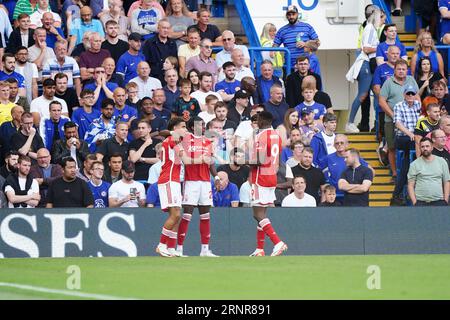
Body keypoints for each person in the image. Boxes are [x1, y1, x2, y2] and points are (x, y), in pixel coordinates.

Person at [244, 111, 287, 257]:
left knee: (257, 214)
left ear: (262, 121)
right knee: (262, 212)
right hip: (272, 177)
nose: (257, 122)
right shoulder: (276, 136)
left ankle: (278, 242)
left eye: (258, 120)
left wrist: (241, 161)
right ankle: (259, 249)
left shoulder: (261, 136)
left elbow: (259, 160)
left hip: (260, 177)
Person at [176, 117, 218, 257]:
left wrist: (216, 177)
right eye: (201, 125)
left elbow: (210, 162)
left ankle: (205, 250)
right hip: (191, 181)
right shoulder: (186, 140)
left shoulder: (208, 142)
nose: (204, 127)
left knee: (205, 215)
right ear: (193, 127)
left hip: (205, 182)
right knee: (187, 214)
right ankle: (179, 248)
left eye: (205, 125)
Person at [379, 59, 419, 182]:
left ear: (406, 70)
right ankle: (395, 173)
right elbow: (382, 101)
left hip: (410, 119)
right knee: (392, 147)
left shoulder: (411, 80)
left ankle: (413, 173)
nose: (401, 71)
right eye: (399, 69)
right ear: (394, 70)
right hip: (391, 120)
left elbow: (417, 96)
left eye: (403, 69)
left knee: (413, 145)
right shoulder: (388, 82)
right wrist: (394, 115)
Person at [345, 6, 381, 133]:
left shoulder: (371, 28)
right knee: (362, 95)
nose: (381, 19)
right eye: (379, 16)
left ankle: (378, 123)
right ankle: (350, 122)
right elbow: (366, 48)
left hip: (369, 64)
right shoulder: (370, 28)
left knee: (377, 93)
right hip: (366, 64)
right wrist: (381, 48)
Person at [155, 117, 187, 257]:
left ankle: (171, 248)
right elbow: (185, 158)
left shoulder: (173, 140)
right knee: (176, 214)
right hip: (168, 179)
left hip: (173, 180)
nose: (186, 129)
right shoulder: (173, 139)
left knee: (176, 216)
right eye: (183, 126)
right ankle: (161, 245)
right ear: (175, 129)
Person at [390, 85, 422, 206]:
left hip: (416, 138)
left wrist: (416, 136)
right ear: (404, 94)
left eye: (412, 94)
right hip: (403, 137)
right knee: (412, 145)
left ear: (415, 95)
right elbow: (398, 124)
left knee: (407, 163)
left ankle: (396, 194)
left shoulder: (418, 104)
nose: (410, 96)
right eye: (408, 94)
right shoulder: (399, 105)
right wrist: (411, 134)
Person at [273, 4, 320, 69]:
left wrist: (305, 44)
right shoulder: (282, 30)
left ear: (297, 14)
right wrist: (272, 51)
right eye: (289, 14)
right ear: (286, 16)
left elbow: (317, 42)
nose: (291, 16)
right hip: (289, 67)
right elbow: (275, 46)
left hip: (305, 67)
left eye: (293, 14)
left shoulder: (307, 27)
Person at [408, 137, 450, 206]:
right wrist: (415, 202)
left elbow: (446, 182)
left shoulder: (442, 161)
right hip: (421, 202)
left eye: (427, 146)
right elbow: (410, 185)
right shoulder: (414, 164)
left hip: (439, 201)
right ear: (420, 148)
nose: (425, 148)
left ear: (432, 147)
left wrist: (445, 200)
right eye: (422, 147)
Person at [142, 18, 178, 83]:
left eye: (168, 28)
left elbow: (175, 61)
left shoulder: (172, 43)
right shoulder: (149, 43)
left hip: (169, 77)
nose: (166, 30)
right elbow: (145, 61)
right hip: (154, 77)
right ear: (158, 29)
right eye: (164, 28)